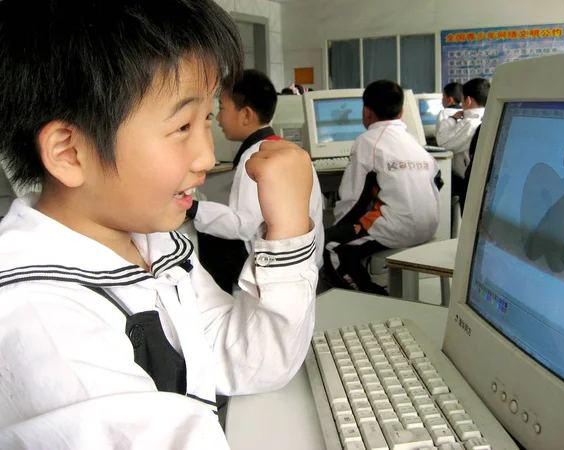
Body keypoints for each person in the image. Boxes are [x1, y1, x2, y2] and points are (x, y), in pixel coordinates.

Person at [0, 1, 318, 448]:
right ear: (70, 153)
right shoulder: (40, 318)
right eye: (183, 126)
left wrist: (288, 229)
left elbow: (250, 361)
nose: (207, 157)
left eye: (207, 119)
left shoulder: (154, 244)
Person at [188, 69, 324, 293]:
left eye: (221, 109)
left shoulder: (255, 157)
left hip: (274, 275)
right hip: (308, 262)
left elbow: (241, 226)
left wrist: (193, 208)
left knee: (202, 245)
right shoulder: (288, 149)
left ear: (246, 115)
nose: (218, 119)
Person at [322, 80, 441, 295]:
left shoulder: (367, 141)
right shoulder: (414, 142)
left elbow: (352, 199)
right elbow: (436, 182)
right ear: (402, 111)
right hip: (431, 225)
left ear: (366, 112)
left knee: (329, 246)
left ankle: (374, 298)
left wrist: (340, 228)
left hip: (398, 227)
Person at [436, 77, 490, 200]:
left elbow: (443, 142)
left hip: (466, 182)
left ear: (468, 100)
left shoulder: (469, 123)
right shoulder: (488, 117)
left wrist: (452, 119)